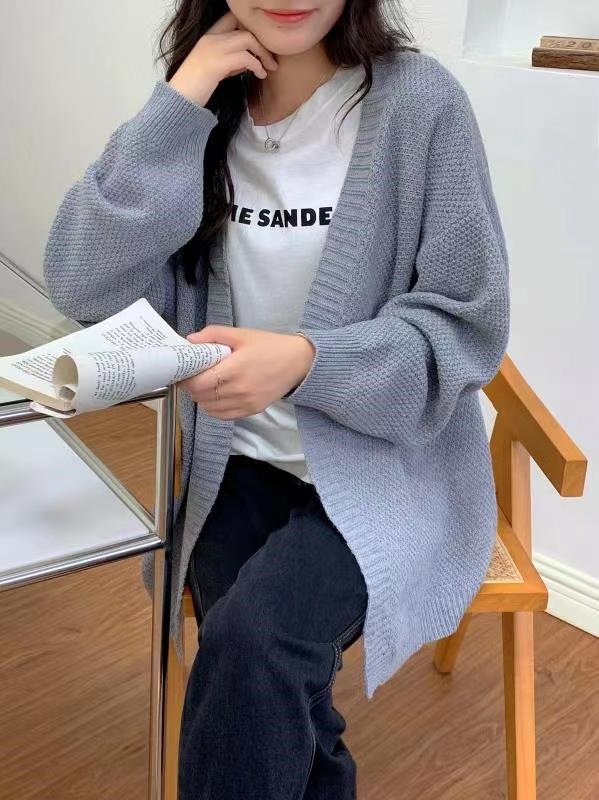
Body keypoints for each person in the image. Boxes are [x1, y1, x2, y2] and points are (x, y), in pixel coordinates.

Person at [42, 1, 511, 798]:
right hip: (234, 463)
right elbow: (82, 280)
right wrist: (178, 102)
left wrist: (306, 363)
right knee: (261, 676)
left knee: (253, 646)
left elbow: (466, 326)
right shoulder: (202, 112)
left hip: (386, 472)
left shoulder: (418, 104)